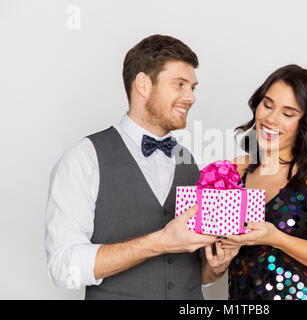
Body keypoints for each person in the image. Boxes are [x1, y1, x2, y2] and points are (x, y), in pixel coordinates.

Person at [45, 34, 221, 300]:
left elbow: (201, 275)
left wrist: (218, 264)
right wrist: (159, 241)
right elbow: (63, 266)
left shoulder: (196, 164)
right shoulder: (84, 158)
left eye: (192, 88)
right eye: (179, 84)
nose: (190, 97)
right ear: (143, 84)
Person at [203, 64, 307, 300]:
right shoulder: (234, 170)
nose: (271, 119)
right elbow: (207, 274)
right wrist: (218, 264)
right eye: (268, 105)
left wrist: (275, 238)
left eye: (288, 114)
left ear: (306, 121)